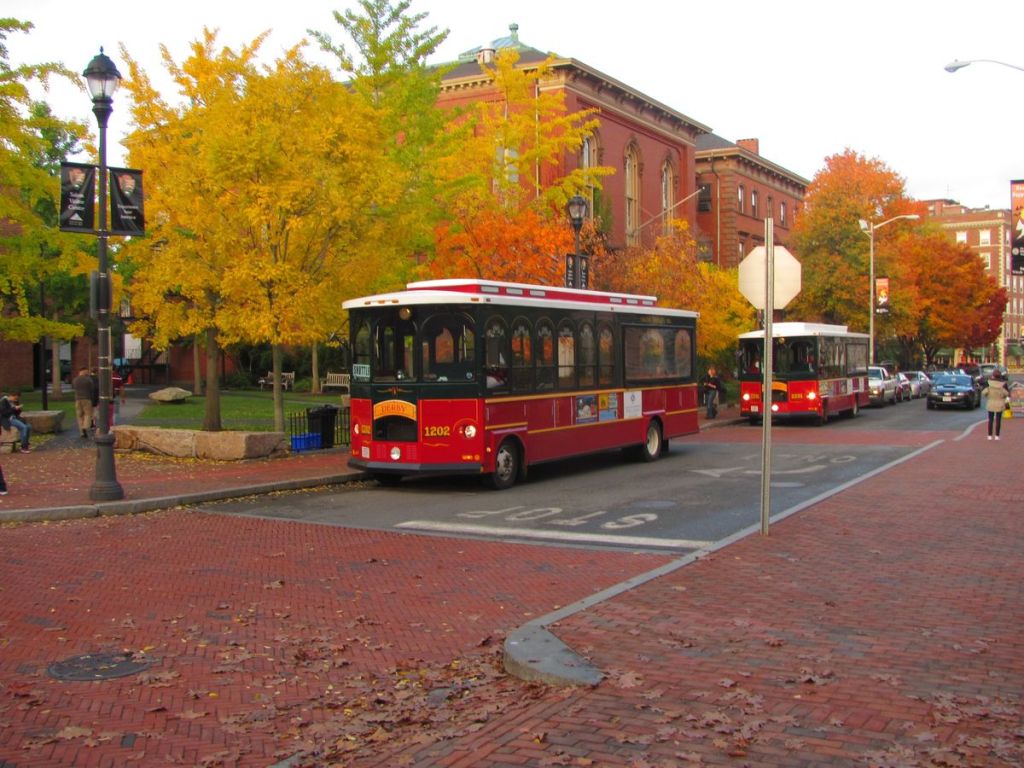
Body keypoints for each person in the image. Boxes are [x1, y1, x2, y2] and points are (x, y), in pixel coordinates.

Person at [981, 369, 1009, 441]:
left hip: (991, 402)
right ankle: (997, 436)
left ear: (993, 375)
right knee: (998, 420)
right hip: (1000, 403)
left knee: (990, 420)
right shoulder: (1003, 384)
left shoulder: (989, 383)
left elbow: (984, 393)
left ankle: (989, 436)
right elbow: (1006, 394)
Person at [72, 367, 97, 438]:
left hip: (77, 399)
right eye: (86, 371)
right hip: (87, 399)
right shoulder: (88, 380)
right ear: (84, 371)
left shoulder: (75, 380)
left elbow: (74, 387)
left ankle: (81, 431)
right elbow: (92, 389)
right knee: (87, 414)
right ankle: (85, 427)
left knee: (79, 415)